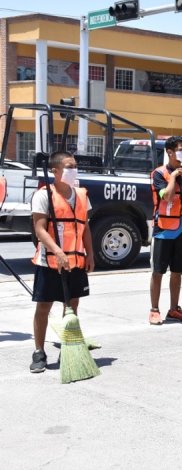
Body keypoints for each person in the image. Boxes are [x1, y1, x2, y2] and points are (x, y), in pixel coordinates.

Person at [29, 151, 95, 373]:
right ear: (55, 171)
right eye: (69, 166)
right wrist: (57, 251)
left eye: (75, 165)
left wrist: (90, 254)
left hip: (75, 261)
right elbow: (39, 229)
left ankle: (70, 345)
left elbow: (85, 228)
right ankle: (39, 351)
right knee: (44, 306)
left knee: (72, 305)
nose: (73, 170)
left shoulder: (82, 195)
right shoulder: (43, 195)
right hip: (50, 261)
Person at [149, 136, 182, 325]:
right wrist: (175, 177)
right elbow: (167, 197)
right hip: (163, 229)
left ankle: (174, 308)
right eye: (180, 149)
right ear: (169, 152)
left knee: (177, 271)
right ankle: (154, 309)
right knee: (158, 271)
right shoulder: (159, 173)